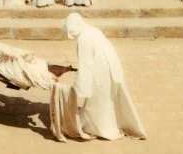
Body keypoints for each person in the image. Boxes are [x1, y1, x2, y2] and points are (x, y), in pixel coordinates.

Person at [51, 14, 146, 142]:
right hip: (112, 65)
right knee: (108, 99)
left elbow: (86, 65)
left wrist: (80, 87)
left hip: (100, 72)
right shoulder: (92, 30)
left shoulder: (83, 40)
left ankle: (99, 128)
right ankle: (112, 123)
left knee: (98, 100)